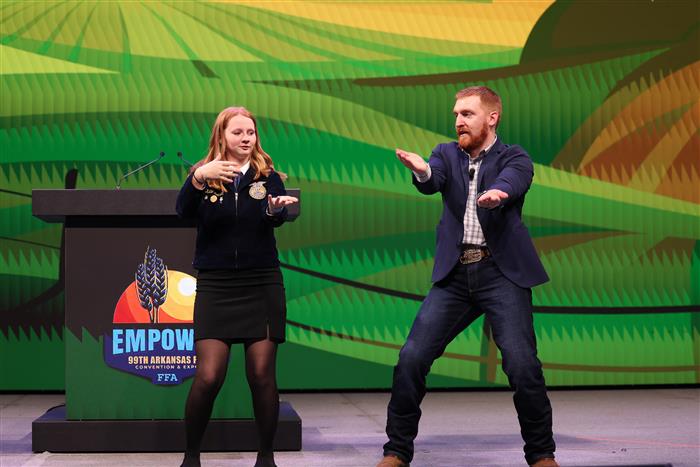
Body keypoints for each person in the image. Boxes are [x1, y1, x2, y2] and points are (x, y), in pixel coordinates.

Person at [377, 86, 557, 467]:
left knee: (522, 364)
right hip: (456, 275)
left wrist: (499, 193)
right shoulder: (445, 153)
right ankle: (396, 452)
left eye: (467, 114)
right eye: (456, 115)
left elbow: (515, 179)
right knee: (411, 358)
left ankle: (542, 455)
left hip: (501, 273)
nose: (459, 121)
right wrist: (422, 171)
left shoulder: (514, 157)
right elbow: (433, 178)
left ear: (492, 118)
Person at [176, 106, 298, 467]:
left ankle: (266, 458)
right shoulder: (204, 175)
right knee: (209, 376)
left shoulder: (267, 176)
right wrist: (198, 178)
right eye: (238, 132)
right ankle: (191, 457)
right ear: (222, 136)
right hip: (216, 285)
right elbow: (182, 211)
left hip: (261, 283)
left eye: (251, 132)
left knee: (261, 376)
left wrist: (275, 210)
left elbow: (276, 217)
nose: (246, 139)